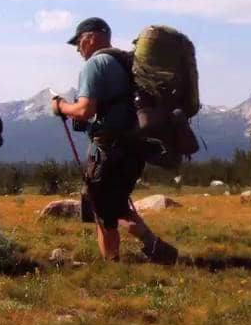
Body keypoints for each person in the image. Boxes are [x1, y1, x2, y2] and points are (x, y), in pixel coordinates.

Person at [51, 17, 177, 263]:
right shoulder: (125, 63)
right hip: (134, 147)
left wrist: (61, 106)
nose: (78, 49)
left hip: (108, 149)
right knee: (116, 205)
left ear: (91, 37)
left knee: (103, 212)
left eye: (78, 42)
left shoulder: (95, 64)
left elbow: (85, 110)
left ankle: (113, 264)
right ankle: (155, 247)